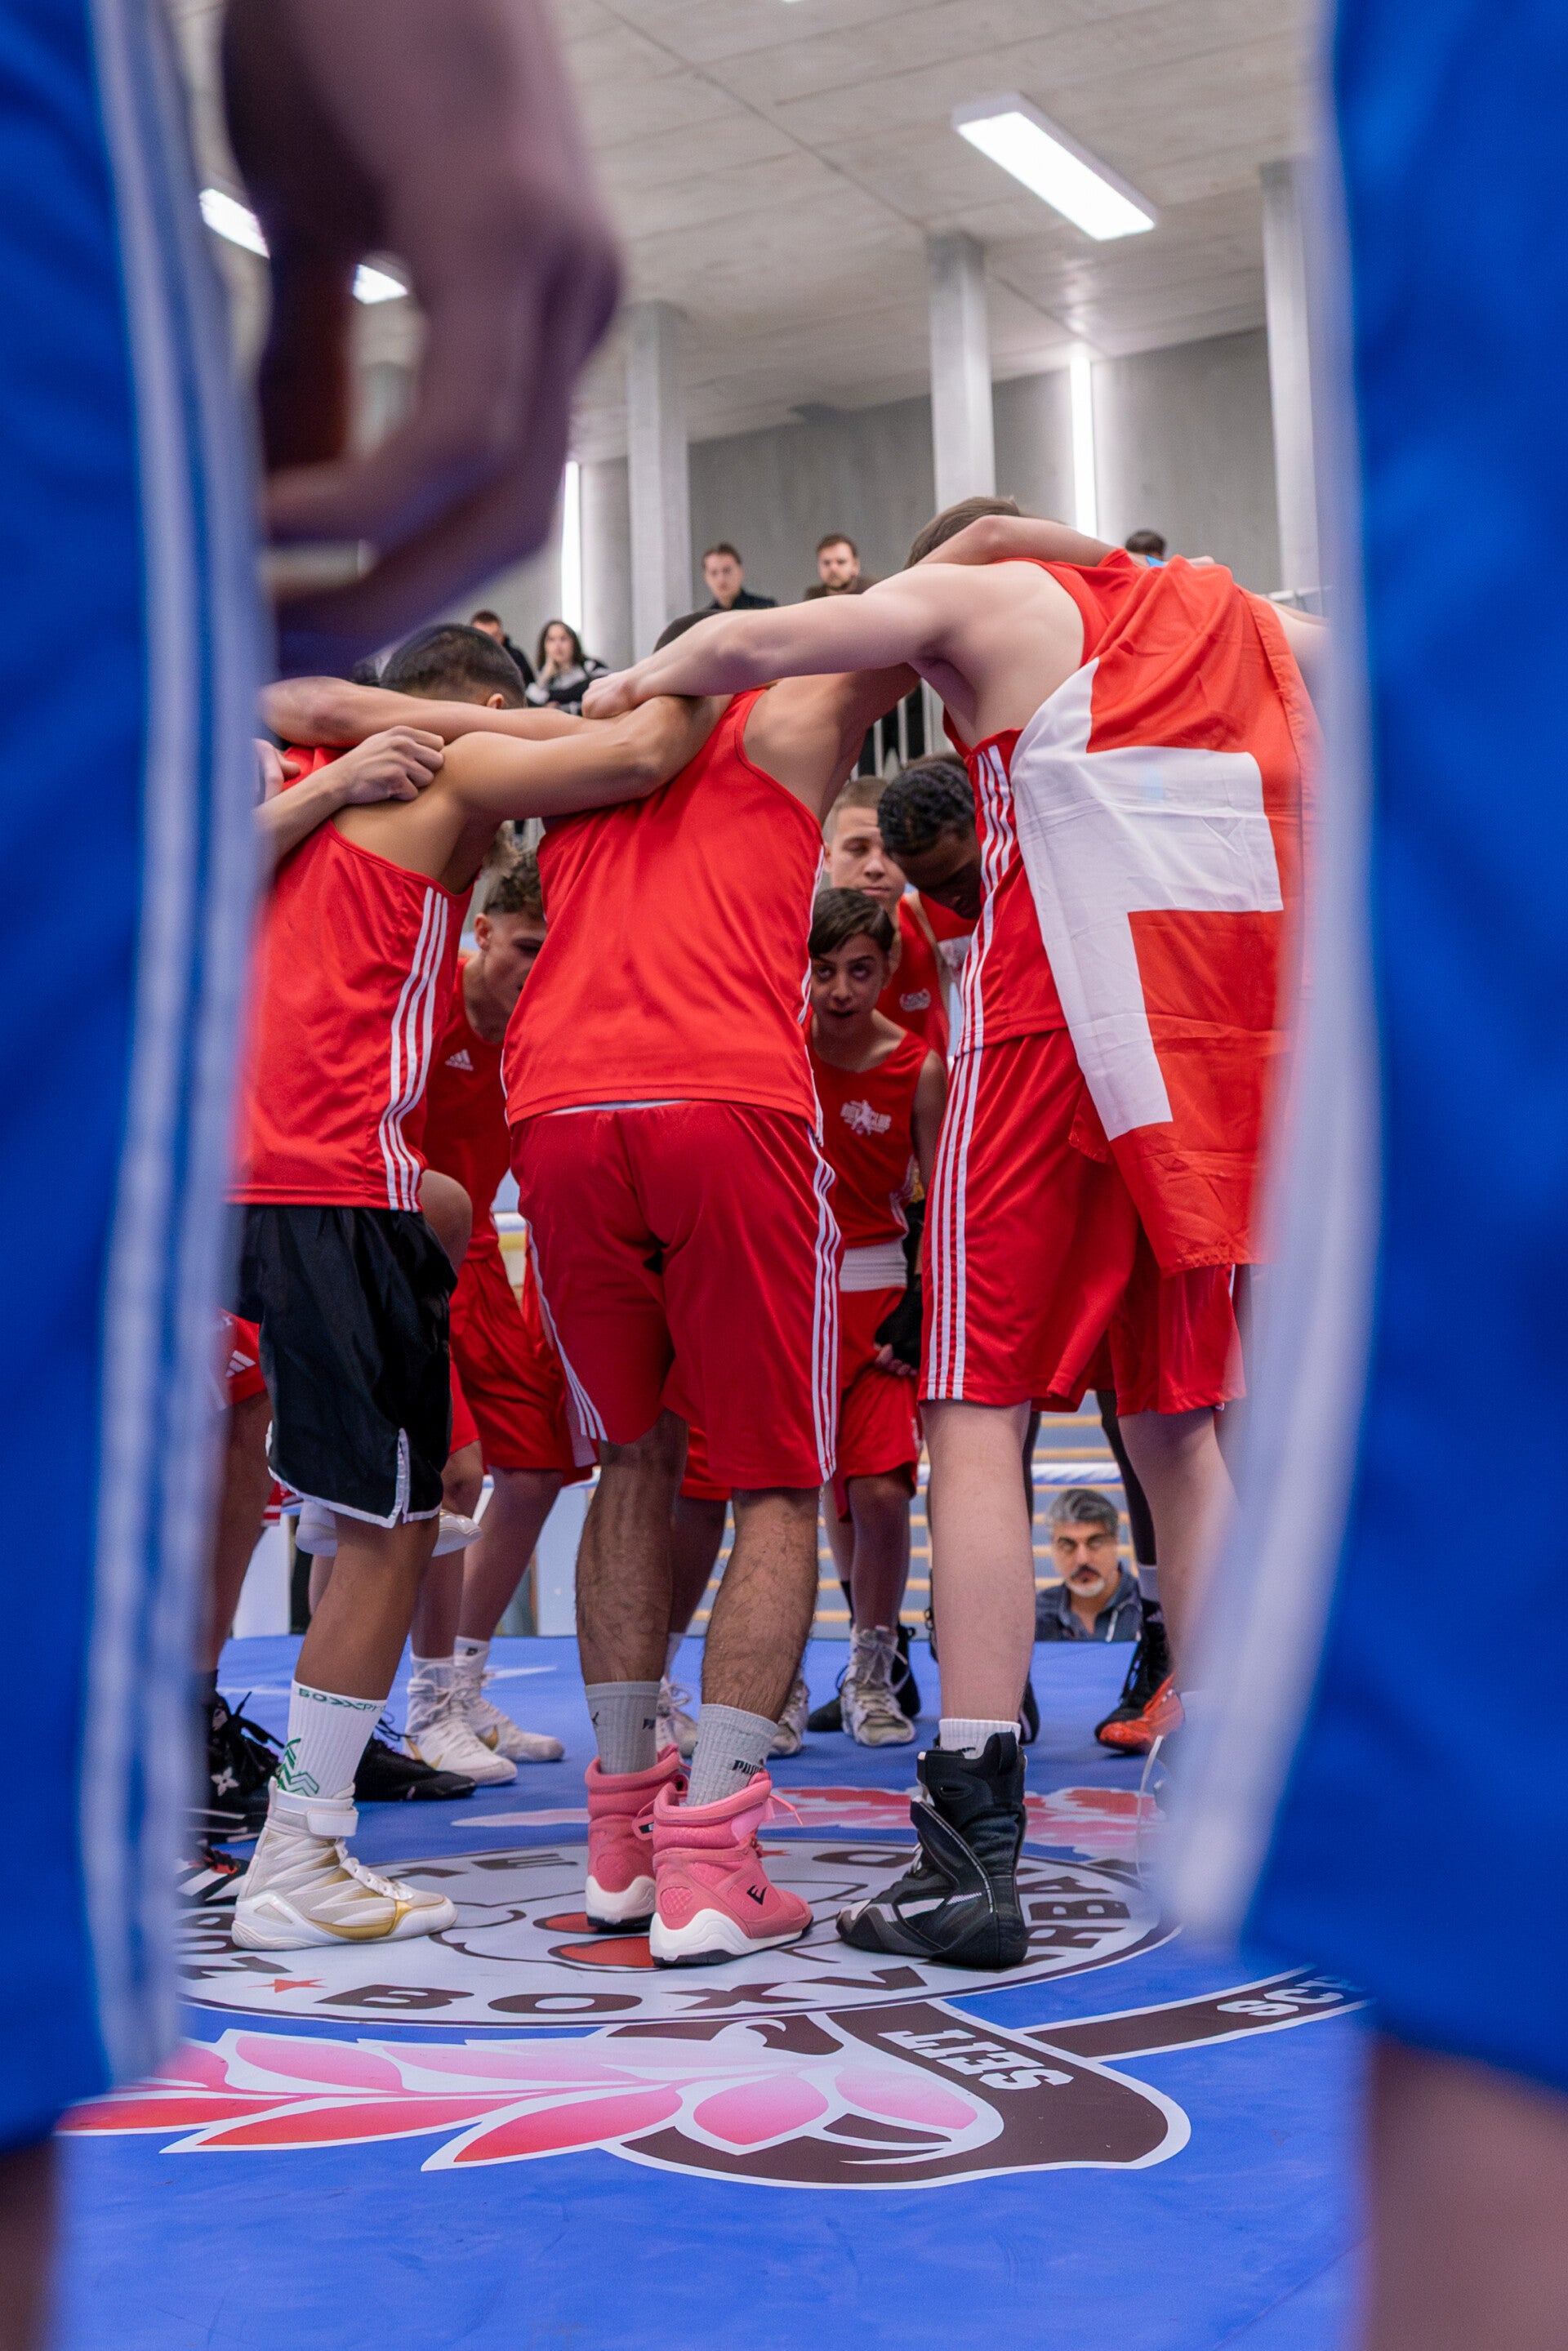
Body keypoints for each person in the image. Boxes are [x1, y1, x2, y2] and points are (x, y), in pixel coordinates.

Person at [585, 497, 1317, 1970]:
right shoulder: (1250, 621)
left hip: (1049, 1036)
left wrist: (624, 685)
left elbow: (744, 644)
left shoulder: (995, 608)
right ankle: (1255, 1804)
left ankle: (972, 1845)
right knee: (1181, 1429)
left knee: (975, 1415)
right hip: (1206, 1052)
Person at [225, 683, 717, 1952]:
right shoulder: (426, 784)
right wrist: (712, 667)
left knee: (361, 1503)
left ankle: (298, 1810)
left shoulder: (283, 799)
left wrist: (341, 736)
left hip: (252, 1189)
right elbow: (644, 747)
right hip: (334, 1190)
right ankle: (298, 1849)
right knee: (396, 1531)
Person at [501, 644, 913, 1963]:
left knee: (634, 1459)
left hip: (559, 1106)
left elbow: (405, 717)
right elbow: (926, 595)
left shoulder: (579, 750)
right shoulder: (782, 717)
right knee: (781, 1483)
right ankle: (712, 1863)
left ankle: (622, 1842)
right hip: (723, 1095)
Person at [416, 851, 590, 1765]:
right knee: (445, 1477)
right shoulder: (422, 1001)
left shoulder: (552, 1027)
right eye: (527, 946)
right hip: (397, 1253)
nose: (538, 968)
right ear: (481, 932)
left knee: (535, 1467)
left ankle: (464, 1687)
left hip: (480, 1252)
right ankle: (422, 1708)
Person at [808, 889, 945, 1743]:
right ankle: (772, 1680)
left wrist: (922, 1301)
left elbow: (941, 1197)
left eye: (860, 970)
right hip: (790, 1298)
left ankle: (873, 1670)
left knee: (882, 1492)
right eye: (824, 970)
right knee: (795, 1494)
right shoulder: (778, 1049)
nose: (841, 989)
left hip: (880, 1297)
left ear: (890, 968)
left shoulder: (918, 1067)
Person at [823, 774, 951, 1057]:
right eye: (858, 849)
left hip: (928, 1086)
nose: (875, 867)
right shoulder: (796, 937)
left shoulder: (927, 920)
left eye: (891, 851)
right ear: (827, 857)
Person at [1036, 1488, 1141, 1642]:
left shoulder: (1151, 1610)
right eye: (1068, 1545)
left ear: (1116, 1540)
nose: (1082, 1559)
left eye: (1095, 1542)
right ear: (1053, 1547)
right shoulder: (1034, 1616)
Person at [525, 618, 608, 715]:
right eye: (551, 640)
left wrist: (553, 697)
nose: (557, 645)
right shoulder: (546, 680)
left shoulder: (591, 666)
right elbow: (530, 700)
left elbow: (604, 684)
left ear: (574, 643)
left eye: (563, 639)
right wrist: (545, 676)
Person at [701, 541, 776, 612]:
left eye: (727, 571)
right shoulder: (704, 618)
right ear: (706, 577)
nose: (721, 579)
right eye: (713, 573)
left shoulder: (765, 609)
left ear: (740, 571)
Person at [470, 609, 536, 688]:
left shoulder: (516, 658)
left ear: (502, 636)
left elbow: (530, 688)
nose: (489, 642)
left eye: (494, 636)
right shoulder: (463, 661)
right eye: (482, 636)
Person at [805, 532, 877, 599]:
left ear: (855, 565)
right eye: (827, 563)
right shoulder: (814, 598)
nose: (833, 568)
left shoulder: (873, 593)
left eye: (841, 562)